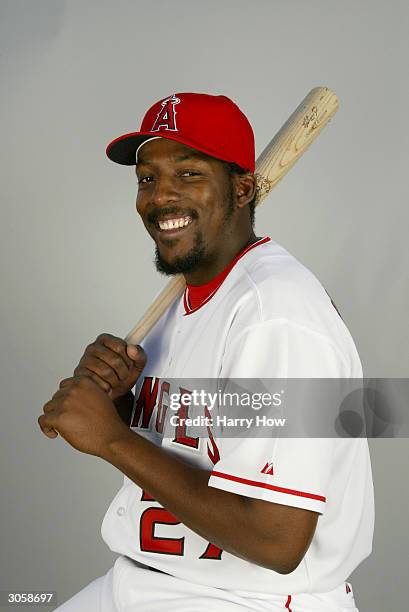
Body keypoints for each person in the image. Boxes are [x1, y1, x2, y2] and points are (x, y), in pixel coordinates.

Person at [38, 92, 374, 611]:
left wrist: (110, 440)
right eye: (147, 178)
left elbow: (276, 539)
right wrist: (120, 408)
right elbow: (208, 439)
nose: (160, 196)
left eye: (189, 173)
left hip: (248, 598)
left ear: (242, 188)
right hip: (148, 582)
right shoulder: (188, 294)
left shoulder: (276, 317)